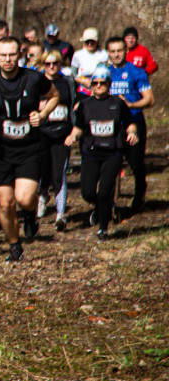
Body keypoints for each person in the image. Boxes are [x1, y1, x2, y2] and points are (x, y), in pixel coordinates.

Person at [0, 37, 59, 262]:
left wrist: (42, 115)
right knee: (5, 203)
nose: (7, 59)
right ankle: (14, 247)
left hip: (29, 148)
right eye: (3, 55)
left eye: (12, 55)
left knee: (24, 199)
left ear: (19, 55)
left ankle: (30, 214)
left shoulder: (33, 78)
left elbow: (55, 96)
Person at [64, 65, 138, 240]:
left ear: (109, 84)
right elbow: (79, 127)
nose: (98, 86)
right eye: (95, 83)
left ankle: (102, 228)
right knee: (88, 192)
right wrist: (72, 137)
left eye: (102, 83)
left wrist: (132, 132)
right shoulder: (84, 105)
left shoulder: (118, 103)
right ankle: (100, 207)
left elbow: (130, 123)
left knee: (104, 192)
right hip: (90, 152)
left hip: (112, 152)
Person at [106, 36, 154, 212]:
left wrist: (130, 105)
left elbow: (150, 100)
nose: (117, 54)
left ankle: (139, 194)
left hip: (134, 122)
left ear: (126, 51)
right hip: (112, 126)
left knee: (135, 163)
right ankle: (108, 203)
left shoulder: (137, 72)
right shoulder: (105, 73)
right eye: (113, 51)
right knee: (110, 164)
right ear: (108, 53)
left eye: (120, 50)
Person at [36, 50, 74, 231]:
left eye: (55, 64)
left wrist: (74, 130)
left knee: (60, 173)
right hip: (42, 133)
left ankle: (60, 214)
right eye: (48, 64)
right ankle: (43, 196)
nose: (51, 67)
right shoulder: (36, 82)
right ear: (43, 65)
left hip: (62, 133)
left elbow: (74, 105)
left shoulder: (67, 82)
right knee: (42, 172)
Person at [71, 28, 108, 95]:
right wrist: (82, 81)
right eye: (87, 42)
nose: (90, 44)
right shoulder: (78, 55)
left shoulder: (104, 54)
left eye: (92, 42)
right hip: (83, 92)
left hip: (100, 91)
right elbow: (73, 74)